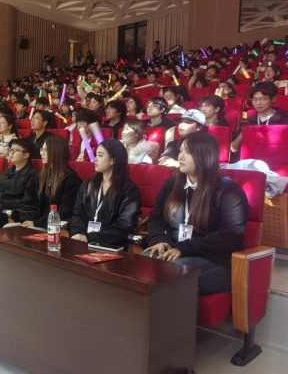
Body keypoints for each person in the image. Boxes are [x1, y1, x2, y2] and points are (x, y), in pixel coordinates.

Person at [143, 133, 249, 295]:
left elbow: (230, 235)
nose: (180, 156)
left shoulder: (229, 190)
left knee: (174, 276)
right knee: (139, 266)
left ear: (205, 155)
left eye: (188, 152)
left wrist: (185, 248)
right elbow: (156, 218)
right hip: (174, 250)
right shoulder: (172, 184)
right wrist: (159, 240)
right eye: (180, 151)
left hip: (214, 259)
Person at [70, 139, 141, 248]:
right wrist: (78, 233)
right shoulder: (88, 184)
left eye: (100, 155)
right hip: (84, 241)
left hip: (112, 246)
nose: (95, 159)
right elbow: (78, 214)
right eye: (96, 155)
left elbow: (124, 225)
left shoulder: (129, 189)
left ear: (113, 160)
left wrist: (92, 237)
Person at [14, 136, 81, 230]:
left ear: (56, 151)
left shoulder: (71, 179)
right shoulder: (39, 176)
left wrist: (36, 223)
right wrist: (27, 220)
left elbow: (65, 212)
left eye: (45, 150)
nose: (41, 153)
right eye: (41, 150)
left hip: (52, 227)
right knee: (7, 229)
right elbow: (29, 202)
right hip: (34, 223)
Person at [231, 82, 288, 152]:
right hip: (253, 157)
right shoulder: (247, 122)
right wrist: (242, 134)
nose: (258, 103)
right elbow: (233, 149)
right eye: (255, 99)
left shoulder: (285, 119)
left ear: (273, 99)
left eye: (263, 99)